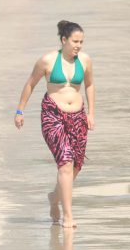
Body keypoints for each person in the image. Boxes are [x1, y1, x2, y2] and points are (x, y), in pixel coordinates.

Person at [14, 20, 95, 228]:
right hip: (53, 115)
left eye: (81, 42)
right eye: (75, 41)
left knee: (76, 166)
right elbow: (30, 83)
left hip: (78, 116)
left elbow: (90, 85)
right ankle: (68, 216)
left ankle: (54, 198)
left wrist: (91, 113)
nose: (78, 46)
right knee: (65, 163)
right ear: (64, 40)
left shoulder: (85, 61)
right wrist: (20, 110)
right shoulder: (47, 61)